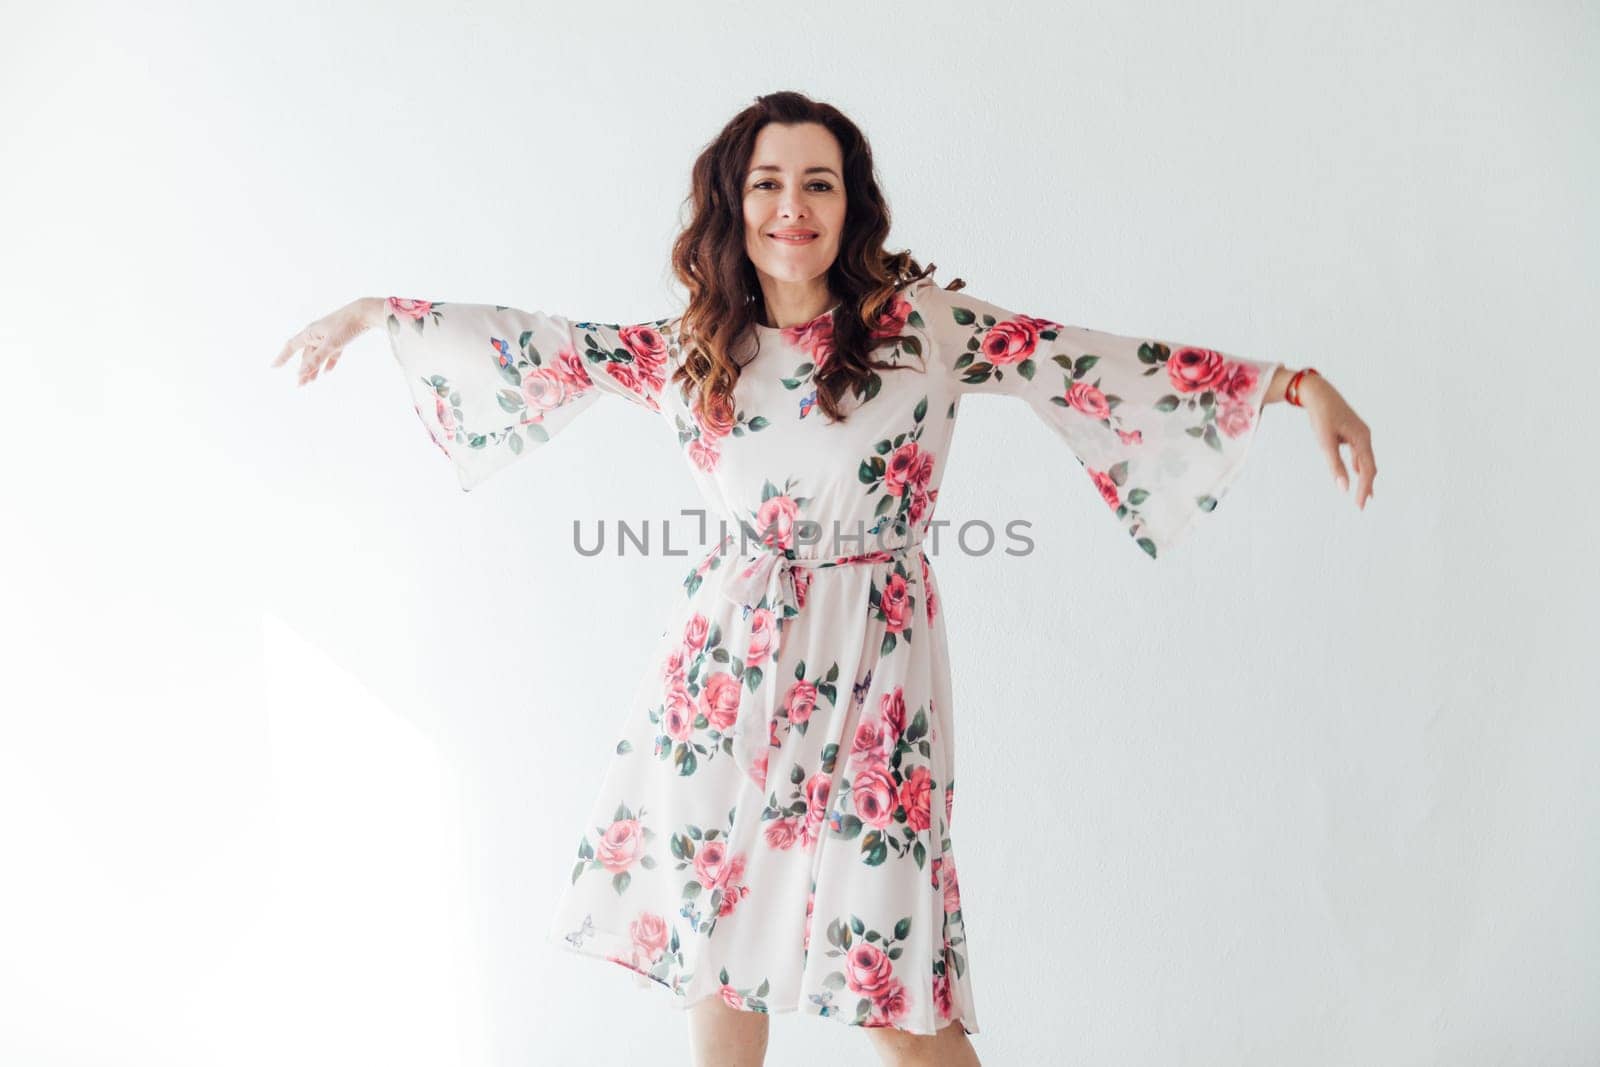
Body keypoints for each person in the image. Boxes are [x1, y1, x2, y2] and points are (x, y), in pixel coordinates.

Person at [271, 90, 1375, 1067]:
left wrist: (1295, 385)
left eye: (817, 182)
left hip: (876, 679)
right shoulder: (691, 347)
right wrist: (376, 316)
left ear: (852, 205)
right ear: (729, 205)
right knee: (714, 958)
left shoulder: (925, 331)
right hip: (721, 680)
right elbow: (537, 344)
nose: (790, 205)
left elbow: (1088, 360)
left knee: (894, 988)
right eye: (765, 183)